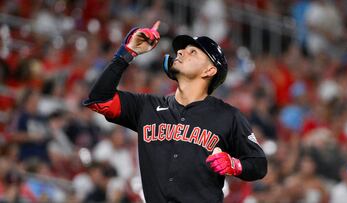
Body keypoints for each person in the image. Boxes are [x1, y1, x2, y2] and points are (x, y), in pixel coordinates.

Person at [84, 21, 267, 203]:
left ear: (209, 70)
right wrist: (127, 53)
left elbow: (259, 165)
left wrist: (234, 165)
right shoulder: (147, 106)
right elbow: (99, 100)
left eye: (192, 52)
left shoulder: (228, 116)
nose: (180, 52)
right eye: (182, 50)